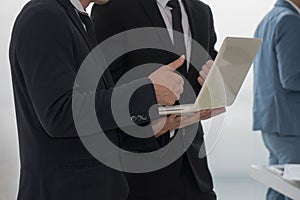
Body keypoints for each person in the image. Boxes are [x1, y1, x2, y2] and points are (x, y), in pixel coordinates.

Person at [9, 0, 189, 199]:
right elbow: (59, 113)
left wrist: (151, 130)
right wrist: (147, 91)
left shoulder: (75, 19)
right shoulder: (44, 17)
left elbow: (94, 124)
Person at [91, 0, 224, 199]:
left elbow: (204, 72)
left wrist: (212, 87)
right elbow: (101, 89)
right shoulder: (114, 8)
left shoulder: (201, 12)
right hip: (140, 172)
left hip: (195, 171)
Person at [253, 0, 300, 199]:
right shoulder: (290, 20)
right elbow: (292, 78)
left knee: (280, 188)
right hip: (291, 125)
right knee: (294, 189)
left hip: (273, 123)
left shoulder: (268, 20)